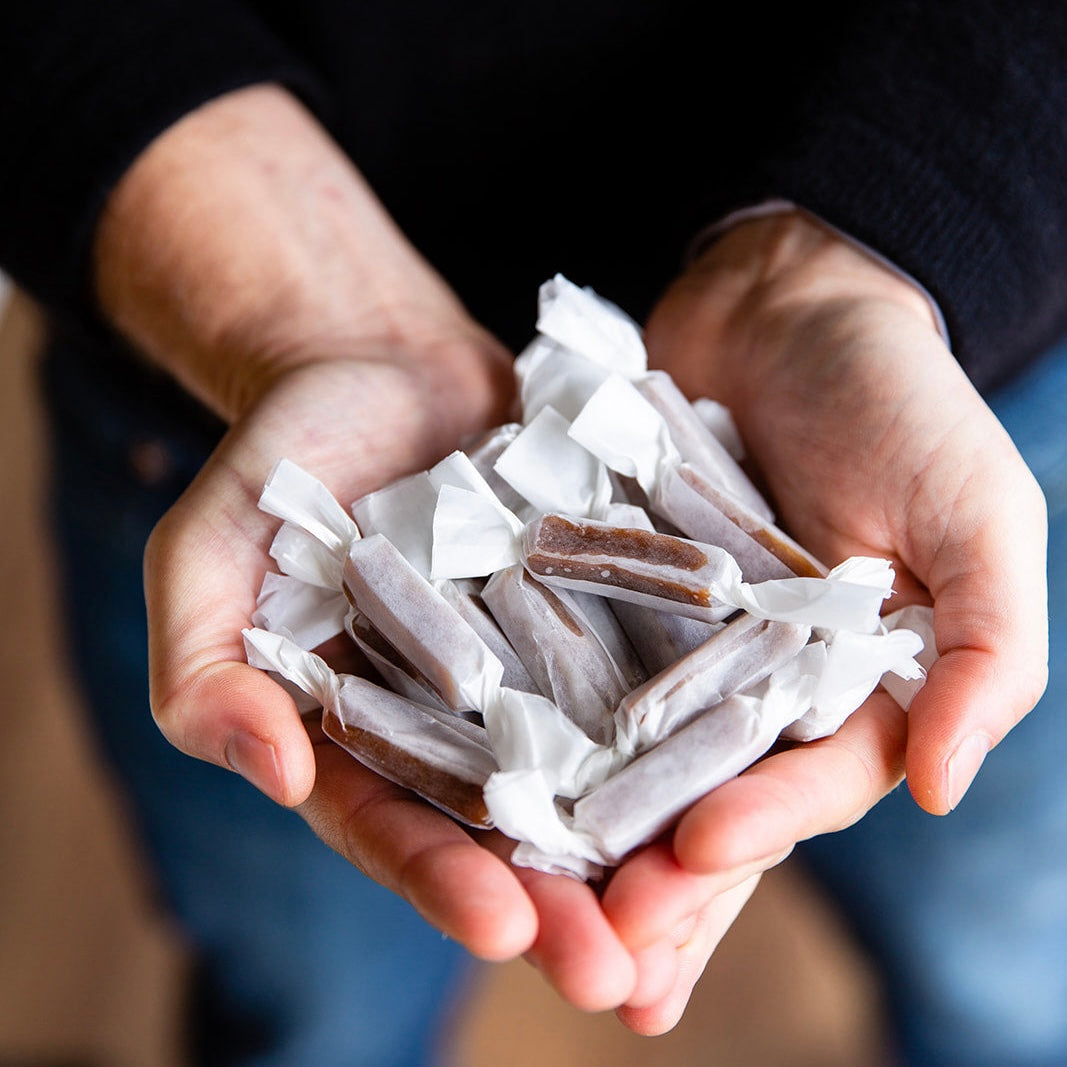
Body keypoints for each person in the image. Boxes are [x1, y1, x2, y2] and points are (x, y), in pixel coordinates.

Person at [1, 2, 1064, 1063]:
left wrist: (875, 249)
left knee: (1005, 973)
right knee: (307, 1013)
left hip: (935, 341)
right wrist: (287, 305)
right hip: (209, 358)